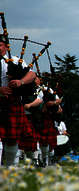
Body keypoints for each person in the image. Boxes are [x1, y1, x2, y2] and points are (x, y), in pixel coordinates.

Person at [0, 34, 36, 166]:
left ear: (5, 47)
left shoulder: (14, 60)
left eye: (0, 45)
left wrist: (21, 82)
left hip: (12, 103)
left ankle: (10, 168)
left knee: (12, 139)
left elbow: (32, 75)